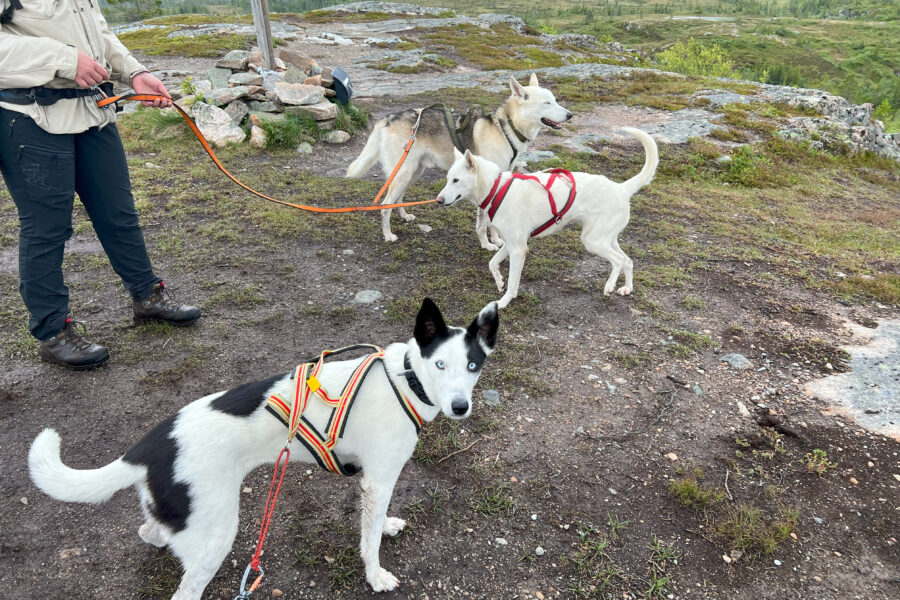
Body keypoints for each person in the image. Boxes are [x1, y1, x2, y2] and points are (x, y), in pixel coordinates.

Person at [0, 0, 201, 370]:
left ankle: (148, 298)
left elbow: (96, 31)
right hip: (29, 118)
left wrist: (134, 72)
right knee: (47, 230)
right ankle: (53, 331)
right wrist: (63, 59)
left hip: (94, 110)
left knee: (118, 213)